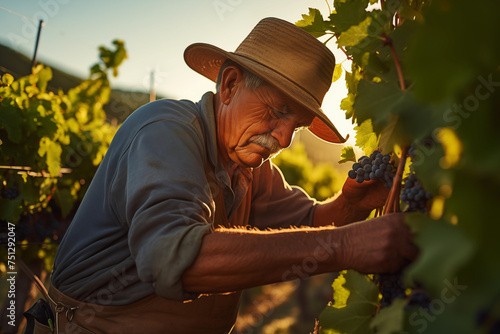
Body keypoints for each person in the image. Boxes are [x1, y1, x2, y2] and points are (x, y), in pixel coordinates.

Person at [43, 17, 417, 334]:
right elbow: (176, 260)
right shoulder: (164, 131)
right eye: (278, 110)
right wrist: (346, 246)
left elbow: (311, 223)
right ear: (230, 85)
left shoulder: (249, 168)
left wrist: (350, 205)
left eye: (297, 125)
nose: (284, 138)